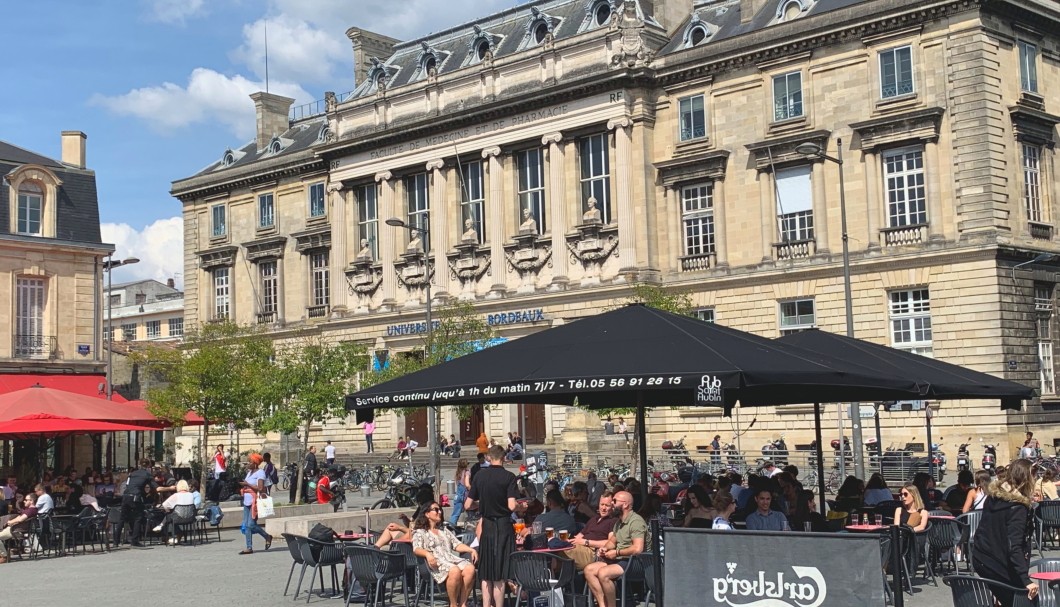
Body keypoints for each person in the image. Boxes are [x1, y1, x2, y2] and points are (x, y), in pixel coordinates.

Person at [973, 458, 1038, 606]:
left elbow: (984, 530)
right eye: (1033, 476)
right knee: (1029, 601)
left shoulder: (993, 497)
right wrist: (1025, 579)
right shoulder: (1018, 507)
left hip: (983, 557)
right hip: (1000, 561)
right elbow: (1013, 544)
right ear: (1026, 479)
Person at [465, 445, 518, 607]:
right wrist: (521, 507)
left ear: (489, 457)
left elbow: (467, 505)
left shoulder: (479, 476)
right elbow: (511, 506)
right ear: (503, 458)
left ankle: (486, 605)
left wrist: (483, 505)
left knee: (486, 571)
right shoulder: (509, 477)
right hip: (502, 525)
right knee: (500, 573)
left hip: (486, 526)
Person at [583, 491, 647, 607]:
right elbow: (612, 541)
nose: (612, 503)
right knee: (589, 570)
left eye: (615, 501)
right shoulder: (619, 522)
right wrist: (604, 548)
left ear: (626, 505)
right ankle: (603, 605)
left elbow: (638, 548)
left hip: (636, 562)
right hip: (621, 560)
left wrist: (617, 552)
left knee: (604, 573)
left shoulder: (636, 521)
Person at [413, 500, 478, 607]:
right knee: (455, 570)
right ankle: (453, 604)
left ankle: (463, 603)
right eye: (436, 510)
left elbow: (456, 545)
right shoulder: (420, 532)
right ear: (427, 514)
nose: (439, 512)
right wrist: (428, 554)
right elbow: (416, 548)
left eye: (440, 510)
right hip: (435, 563)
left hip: (450, 559)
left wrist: (471, 549)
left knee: (470, 568)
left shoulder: (443, 530)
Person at [570, 491, 617, 571]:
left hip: (592, 552)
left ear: (613, 506)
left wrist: (586, 542)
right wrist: (567, 542)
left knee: (560, 552)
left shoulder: (613, 521)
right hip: (579, 548)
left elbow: (610, 543)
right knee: (556, 553)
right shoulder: (593, 519)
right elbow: (578, 537)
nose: (603, 508)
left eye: (607, 505)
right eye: (602, 504)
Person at [239, 453, 273, 555]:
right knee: (246, 525)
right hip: (247, 501)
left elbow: (260, 488)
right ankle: (249, 547)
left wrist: (247, 484)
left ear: (255, 463)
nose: (248, 464)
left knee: (250, 524)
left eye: (250, 462)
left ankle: (267, 536)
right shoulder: (249, 473)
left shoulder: (260, 473)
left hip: (255, 501)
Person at [117, 459, 157, 547]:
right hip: (135, 497)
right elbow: (155, 487)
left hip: (126, 495)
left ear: (139, 465)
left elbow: (128, 485)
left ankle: (116, 542)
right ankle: (134, 540)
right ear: (148, 466)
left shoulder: (132, 474)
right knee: (138, 518)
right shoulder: (147, 474)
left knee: (122, 519)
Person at [152, 480, 197, 545]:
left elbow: (165, 505)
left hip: (178, 518)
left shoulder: (176, 495)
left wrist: (169, 510)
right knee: (173, 516)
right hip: (190, 518)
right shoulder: (191, 495)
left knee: (169, 516)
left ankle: (162, 527)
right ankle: (176, 535)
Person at [0, 494, 38, 563]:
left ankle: (4, 556)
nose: (24, 501)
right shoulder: (28, 509)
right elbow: (19, 517)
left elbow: (20, 519)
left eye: (26, 500)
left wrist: (10, 522)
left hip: (16, 530)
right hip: (15, 528)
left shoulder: (31, 510)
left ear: (31, 501)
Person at [449, 459, 470, 528]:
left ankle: (451, 527)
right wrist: (472, 489)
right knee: (472, 509)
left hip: (458, 496)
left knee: (455, 514)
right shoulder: (467, 472)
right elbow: (467, 484)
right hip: (464, 496)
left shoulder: (458, 473)